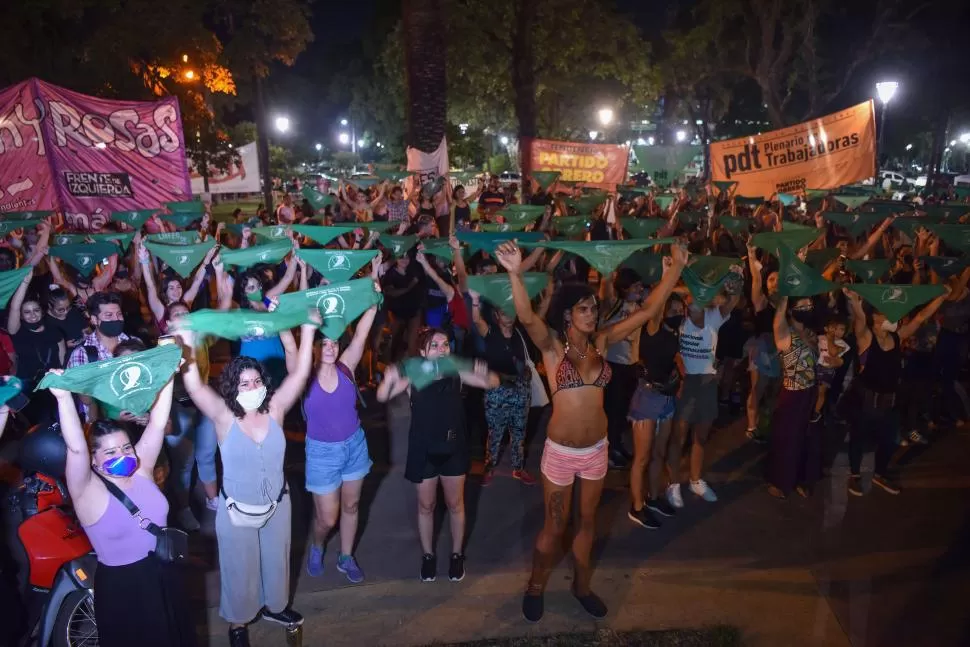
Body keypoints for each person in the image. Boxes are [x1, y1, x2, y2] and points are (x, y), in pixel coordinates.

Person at [494, 239, 686, 623]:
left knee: (587, 522)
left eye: (594, 308)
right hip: (561, 453)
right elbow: (526, 316)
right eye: (584, 308)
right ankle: (535, 585)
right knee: (554, 525)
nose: (592, 313)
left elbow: (647, 310)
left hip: (596, 450)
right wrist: (515, 274)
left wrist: (675, 270)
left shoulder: (601, 342)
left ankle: (581, 586)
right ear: (568, 315)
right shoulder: (552, 347)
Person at [175, 311, 319, 647]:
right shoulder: (224, 416)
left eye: (256, 382)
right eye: (244, 383)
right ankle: (238, 623)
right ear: (232, 388)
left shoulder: (276, 409)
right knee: (239, 570)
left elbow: (300, 374)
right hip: (237, 511)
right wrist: (185, 341)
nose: (252, 388)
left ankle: (276, 607)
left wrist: (308, 330)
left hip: (278, 505)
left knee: (277, 560)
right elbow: (194, 384)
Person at [48, 365, 192, 646]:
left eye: (127, 448)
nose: (123, 455)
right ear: (94, 459)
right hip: (123, 588)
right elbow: (76, 447)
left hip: (163, 573)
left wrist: (168, 375)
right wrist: (64, 398)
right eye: (111, 452)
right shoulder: (87, 490)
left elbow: (158, 424)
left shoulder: (142, 469)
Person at [377, 327, 498, 582]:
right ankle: (428, 556)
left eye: (445, 344)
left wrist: (483, 370)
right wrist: (388, 378)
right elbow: (382, 395)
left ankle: (456, 555)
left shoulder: (456, 372)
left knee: (456, 505)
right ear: (422, 352)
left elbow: (492, 383)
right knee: (426, 506)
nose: (442, 349)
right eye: (435, 345)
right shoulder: (413, 376)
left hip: (454, 448)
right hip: (423, 449)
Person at [304, 260, 381, 583]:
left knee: (351, 507)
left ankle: (346, 556)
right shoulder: (302, 375)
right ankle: (317, 544)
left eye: (335, 342)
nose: (331, 347)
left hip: (354, 446)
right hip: (322, 454)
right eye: (324, 342)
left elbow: (362, 331)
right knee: (327, 518)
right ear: (315, 345)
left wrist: (374, 291)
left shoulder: (347, 366)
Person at [843, 287, 948, 496]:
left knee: (889, 441)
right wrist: (855, 301)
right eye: (884, 313)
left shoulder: (897, 337)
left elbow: (920, 318)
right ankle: (854, 476)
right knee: (859, 439)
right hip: (865, 402)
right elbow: (860, 321)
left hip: (889, 403)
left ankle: (879, 473)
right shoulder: (866, 339)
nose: (891, 317)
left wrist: (942, 297)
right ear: (875, 318)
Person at [668, 284, 741, 507]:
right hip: (686, 382)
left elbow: (733, 300)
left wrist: (736, 285)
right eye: (690, 300)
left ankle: (695, 480)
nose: (693, 304)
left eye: (698, 299)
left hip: (708, 383)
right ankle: (673, 484)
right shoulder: (678, 319)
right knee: (679, 436)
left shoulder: (714, 317)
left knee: (701, 435)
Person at [626, 294, 684, 529]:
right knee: (642, 457)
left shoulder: (674, 332)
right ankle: (637, 507)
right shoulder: (653, 327)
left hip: (666, 398)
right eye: (673, 309)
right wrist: (668, 271)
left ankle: (652, 497)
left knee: (659, 453)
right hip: (647, 398)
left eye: (681, 308)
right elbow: (655, 309)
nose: (678, 313)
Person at [470, 297, 534, 485]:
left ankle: (518, 467)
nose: (509, 316)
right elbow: (476, 320)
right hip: (497, 390)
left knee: (519, 431)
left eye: (511, 311)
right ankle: (489, 467)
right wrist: (474, 300)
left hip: (521, 387)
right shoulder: (491, 333)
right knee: (495, 431)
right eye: (504, 312)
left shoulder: (520, 334)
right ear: (496, 315)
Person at [767, 297, 819, 499]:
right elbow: (777, 320)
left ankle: (800, 479)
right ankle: (779, 481)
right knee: (786, 439)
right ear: (790, 310)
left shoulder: (810, 333)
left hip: (811, 391)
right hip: (792, 392)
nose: (807, 309)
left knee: (805, 438)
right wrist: (785, 297)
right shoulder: (785, 334)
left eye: (809, 305)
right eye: (802, 306)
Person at [7, 267, 65, 426]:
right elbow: (14, 307)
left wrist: (61, 373)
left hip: (51, 383)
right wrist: (25, 282)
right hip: (28, 387)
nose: (32, 315)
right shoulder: (18, 331)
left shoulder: (53, 330)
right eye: (27, 312)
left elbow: (61, 350)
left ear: (42, 311)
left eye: (36, 310)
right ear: (21, 315)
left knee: (57, 419)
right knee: (38, 423)